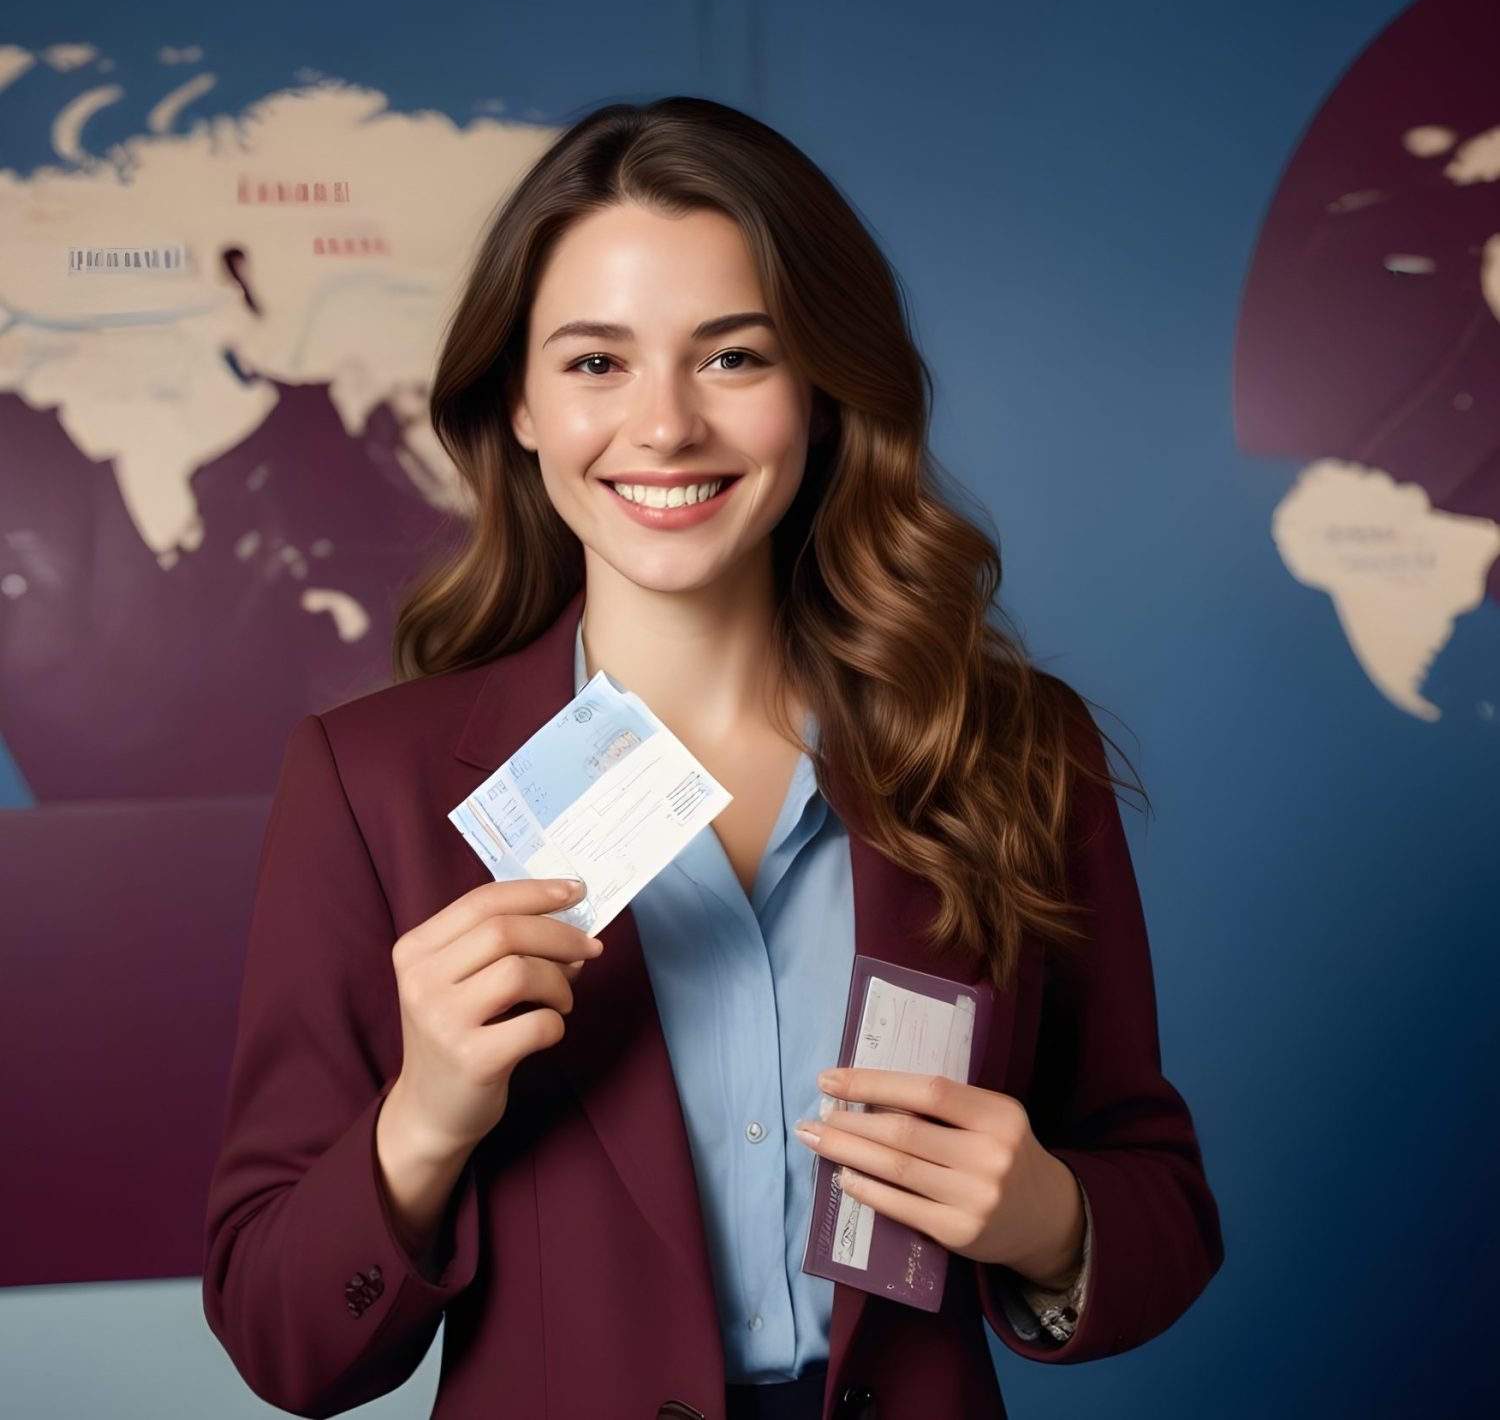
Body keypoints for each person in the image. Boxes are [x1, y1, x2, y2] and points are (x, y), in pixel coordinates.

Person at [201, 95, 1224, 1420]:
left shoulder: (1014, 752)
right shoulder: (373, 789)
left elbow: (1165, 1210)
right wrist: (424, 1122)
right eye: (595, 363)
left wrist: (1048, 1220)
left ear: (822, 387)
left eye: (733, 357)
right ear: (516, 402)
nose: (667, 427)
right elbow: (284, 1342)